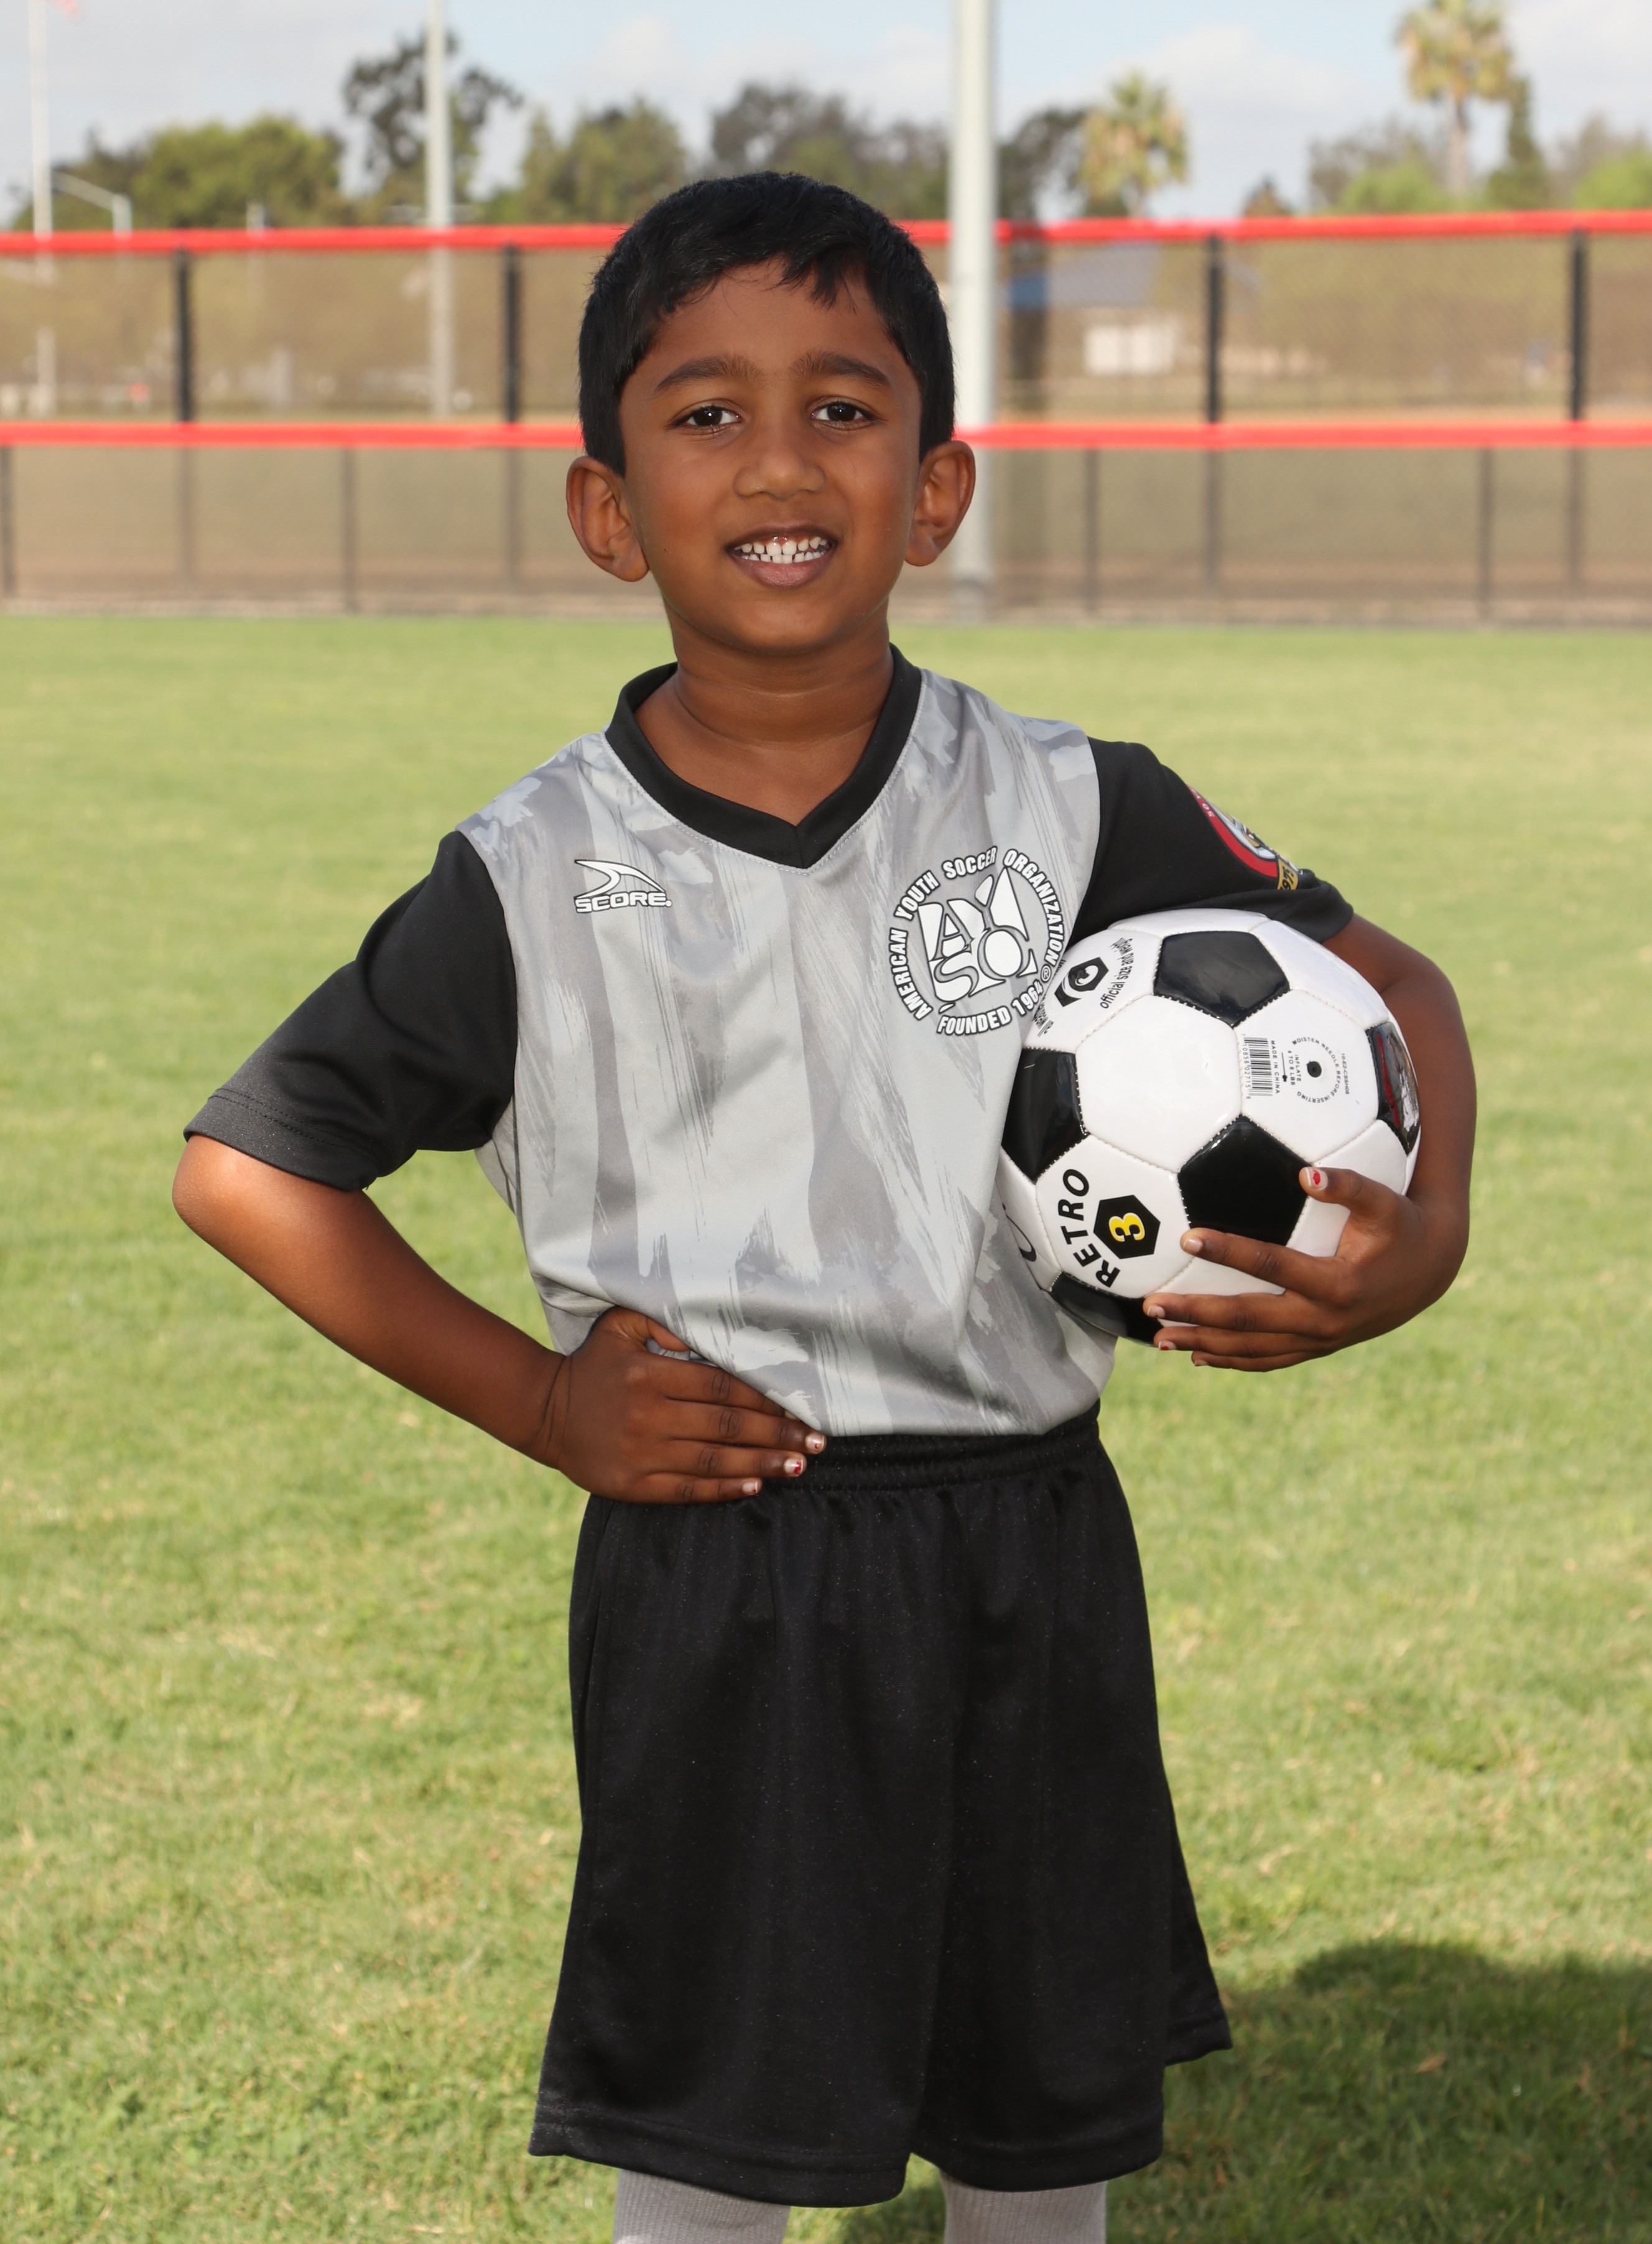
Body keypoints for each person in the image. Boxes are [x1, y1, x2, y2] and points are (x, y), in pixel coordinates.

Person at [174, 174, 1475, 2244]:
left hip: (1032, 1547)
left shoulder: (1077, 804)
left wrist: (1429, 1231)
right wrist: (545, 1403)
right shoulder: (529, 872)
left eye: (844, 409)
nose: (779, 464)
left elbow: (1394, 983)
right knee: (715, 2147)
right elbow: (250, 1165)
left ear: (936, 487)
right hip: (720, 1572)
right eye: (706, 414)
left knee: (1041, 2139)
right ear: (608, 509)